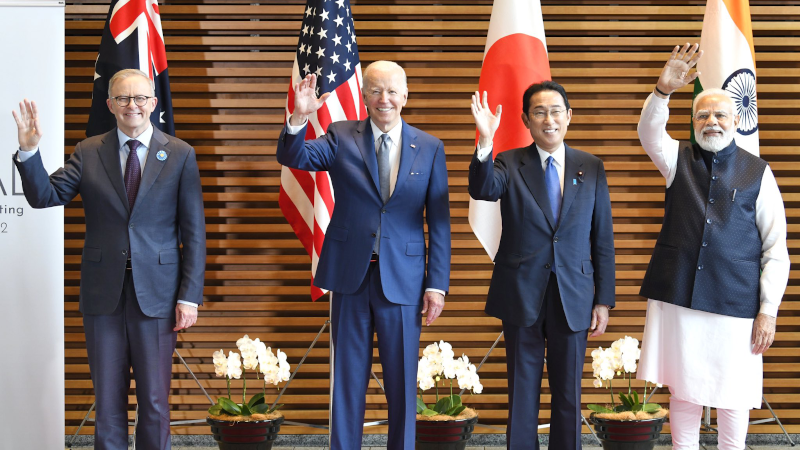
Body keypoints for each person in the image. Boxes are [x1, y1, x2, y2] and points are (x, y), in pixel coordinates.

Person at [12, 69, 206, 450]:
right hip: (104, 298)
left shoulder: (181, 154)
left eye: (139, 98)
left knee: (153, 403)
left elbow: (194, 231)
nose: (131, 105)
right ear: (110, 104)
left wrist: (189, 295)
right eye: (122, 98)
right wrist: (29, 151)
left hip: (159, 297)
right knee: (109, 404)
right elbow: (45, 196)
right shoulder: (89, 151)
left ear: (153, 103)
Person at [276, 61, 451, 450]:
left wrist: (436, 285)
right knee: (348, 380)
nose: (384, 98)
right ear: (363, 96)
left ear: (405, 96)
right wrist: (299, 119)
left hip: (404, 280)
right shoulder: (339, 135)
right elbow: (295, 158)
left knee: (402, 383)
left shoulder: (430, 147)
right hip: (350, 276)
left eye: (392, 91)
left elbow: (438, 223)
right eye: (375, 90)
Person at [636, 43, 790, 450]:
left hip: (737, 302)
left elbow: (776, 248)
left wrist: (768, 311)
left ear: (735, 120)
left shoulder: (759, 172)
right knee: (683, 389)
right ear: (692, 122)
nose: (711, 121)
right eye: (702, 115)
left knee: (733, 391)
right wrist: (662, 91)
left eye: (720, 114)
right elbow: (648, 133)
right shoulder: (676, 159)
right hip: (681, 297)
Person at [468, 81, 615, 449]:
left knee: (569, 393)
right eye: (539, 112)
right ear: (526, 120)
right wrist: (485, 143)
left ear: (568, 117)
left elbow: (603, 238)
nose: (548, 120)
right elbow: (483, 188)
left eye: (555, 111)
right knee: (522, 391)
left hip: (575, 295)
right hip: (521, 293)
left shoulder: (591, 166)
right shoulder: (508, 162)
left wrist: (604, 299)